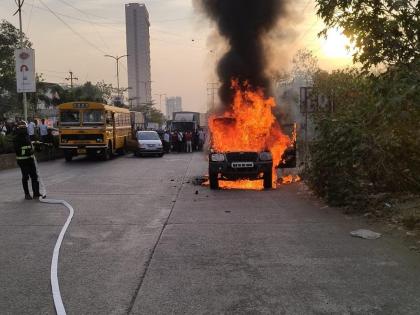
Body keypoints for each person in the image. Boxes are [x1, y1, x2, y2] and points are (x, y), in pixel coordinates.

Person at [13, 121, 41, 200]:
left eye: (25, 128)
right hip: (22, 161)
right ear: (18, 129)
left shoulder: (28, 137)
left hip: (30, 159)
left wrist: (36, 148)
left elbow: (30, 146)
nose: (24, 130)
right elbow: (18, 150)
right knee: (25, 177)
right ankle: (27, 194)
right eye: (22, 128)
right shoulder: (16, 139)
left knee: (34, 176)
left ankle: (36, 193)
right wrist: (28, 151)